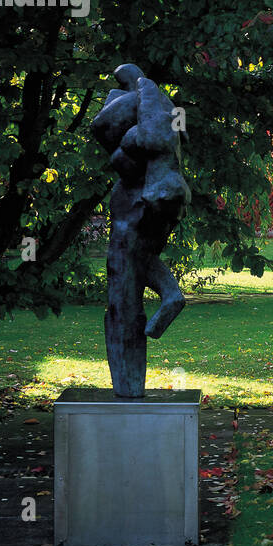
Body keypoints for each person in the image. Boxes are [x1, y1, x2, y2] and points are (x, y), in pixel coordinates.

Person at [90, 64, 191, 397]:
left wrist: (130, 140)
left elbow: (152, 136)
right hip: (161, 200)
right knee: (138, 259)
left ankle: (128, 386)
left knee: (127, 272)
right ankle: (171, 295)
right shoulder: (164, 111)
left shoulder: (153, 113)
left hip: (155, 199)